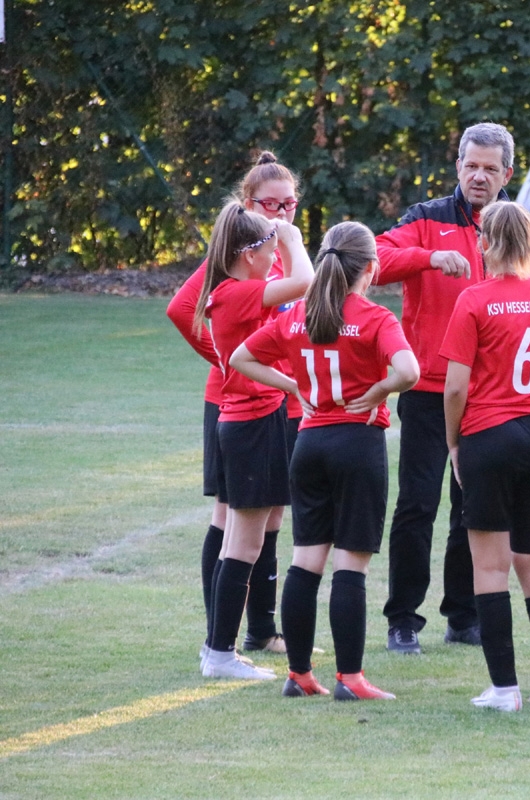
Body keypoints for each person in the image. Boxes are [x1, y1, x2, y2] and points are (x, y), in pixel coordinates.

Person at [375, 122, 530, 655]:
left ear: (507, 174)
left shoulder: (522, 227)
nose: (478, 176)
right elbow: (373, 260)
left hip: (491, 398)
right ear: (458, 166)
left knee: (474, 510)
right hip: (430, 389)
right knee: (417, 505)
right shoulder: (425, 218)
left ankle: (464, 615)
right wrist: (427, 257)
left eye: (490, 169)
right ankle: (403, 619)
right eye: (471, 166)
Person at [231, 221, 420, 701]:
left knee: (306, 561)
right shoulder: (375, 318)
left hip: (309, 445)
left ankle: (298, 674)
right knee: (350, 566)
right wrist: (379, 390)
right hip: (357, 445)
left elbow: (240, 358)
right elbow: (409, 371)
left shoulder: (298, 315)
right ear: (371, 268)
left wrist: (294, 387)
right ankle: (350, 678)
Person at [441, 202, 530, 711]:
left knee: (490, 568)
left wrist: (455, 443)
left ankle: (504, 690)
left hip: (490, 435)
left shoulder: (474, 299)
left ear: (485, 243)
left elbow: (455, 388)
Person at [166, 152, 305, 663]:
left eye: (290, 204)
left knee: (269, 516)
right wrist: (231, 360)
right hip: (241, 403)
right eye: (272, 204)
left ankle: (258, 631)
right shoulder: (241, 258)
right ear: (249, 205)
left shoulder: (273, 253)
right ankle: (218, 636)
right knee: (232, 520)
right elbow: (182, 308)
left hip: (280, 400)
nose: (283, 213)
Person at [193, 199, 313, 680]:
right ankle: (220, 654)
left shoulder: (232, 291)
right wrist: (293, 239)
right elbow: (304, 280)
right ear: (249, 254)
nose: (274, 258)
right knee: (243, 546)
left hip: (252, 421)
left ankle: (217, 650)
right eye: (269, 251)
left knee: (239, 544)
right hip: (251, 427)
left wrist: (290, 385)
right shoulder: (239, 293)